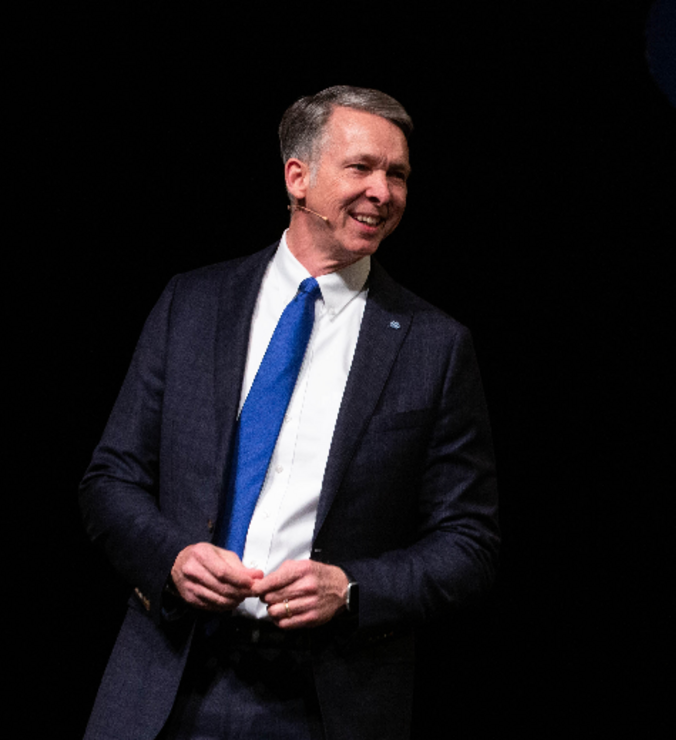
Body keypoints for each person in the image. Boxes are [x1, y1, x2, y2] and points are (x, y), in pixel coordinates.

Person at [79, 85, 499, 740]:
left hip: (322, 699)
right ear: (297, 177)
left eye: (398, 175)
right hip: (163, 680)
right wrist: (171, 559)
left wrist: (352, 590)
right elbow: (109, 480)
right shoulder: (191, 303)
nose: (382, 193)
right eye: (361, 167)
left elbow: (468, 543)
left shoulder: (434, 346)